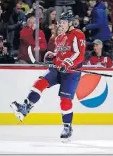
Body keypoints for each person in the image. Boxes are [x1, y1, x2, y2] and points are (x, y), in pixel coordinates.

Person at [10, 10, 86, 140]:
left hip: (71, 73)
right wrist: (53, 57)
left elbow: (79, 54)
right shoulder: (59, 37)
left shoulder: (77, 34)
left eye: (63, 22)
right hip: (58, 69)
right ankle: (25, 108)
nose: (60, 25)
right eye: (59, 22)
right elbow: (61, 54)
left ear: (70, 23)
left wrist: (68, 63)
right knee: (40, 83)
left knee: (65, 101)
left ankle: (67, 126)